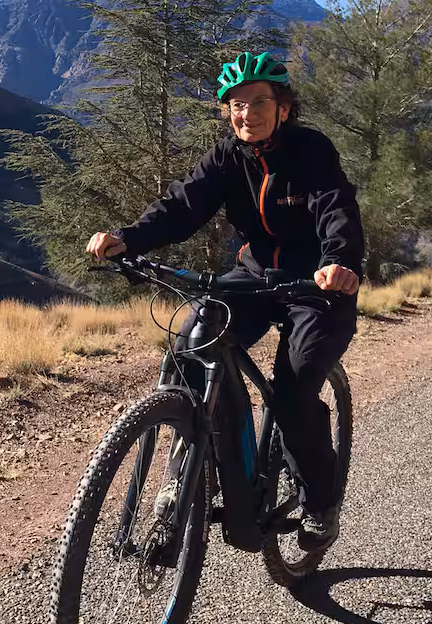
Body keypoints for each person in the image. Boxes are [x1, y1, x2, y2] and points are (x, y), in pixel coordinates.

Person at [86, 51, 364, 552]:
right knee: (190, 349)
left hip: (317, 286)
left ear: (283, 107)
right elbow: (183, 206)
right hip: (254, 277)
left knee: (293, 393)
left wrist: (339, 262)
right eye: (235, 104)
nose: (246, 113)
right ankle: (184, 476)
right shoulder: (226, 157)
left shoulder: (311, 151)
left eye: (259, 101)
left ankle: (321, 501)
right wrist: (129, 239)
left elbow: (336, 208)